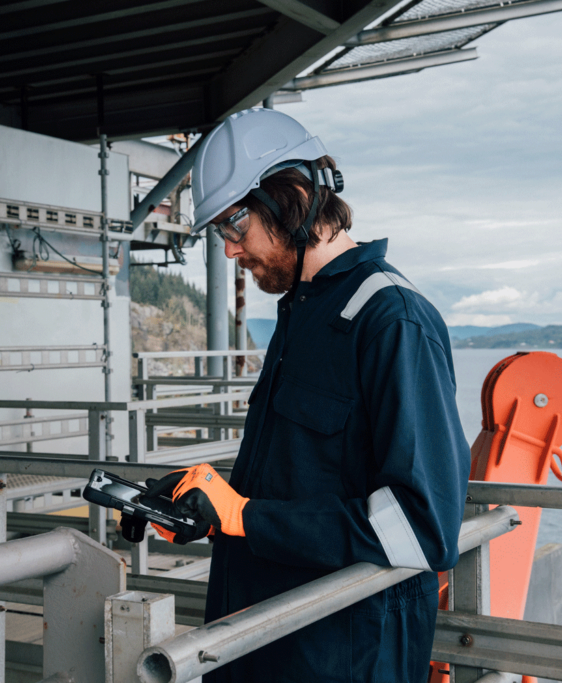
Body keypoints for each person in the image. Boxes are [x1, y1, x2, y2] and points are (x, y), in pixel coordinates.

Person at [143, 108, 471, 682]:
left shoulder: (392, 320)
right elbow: (298, 479)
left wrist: (247, 518)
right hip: (265, 640)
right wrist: (207, 503)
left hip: (344, 653)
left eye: (233, 226)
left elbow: (422, 526)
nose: (229, 251)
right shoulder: (304, 311)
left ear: (292, 196)